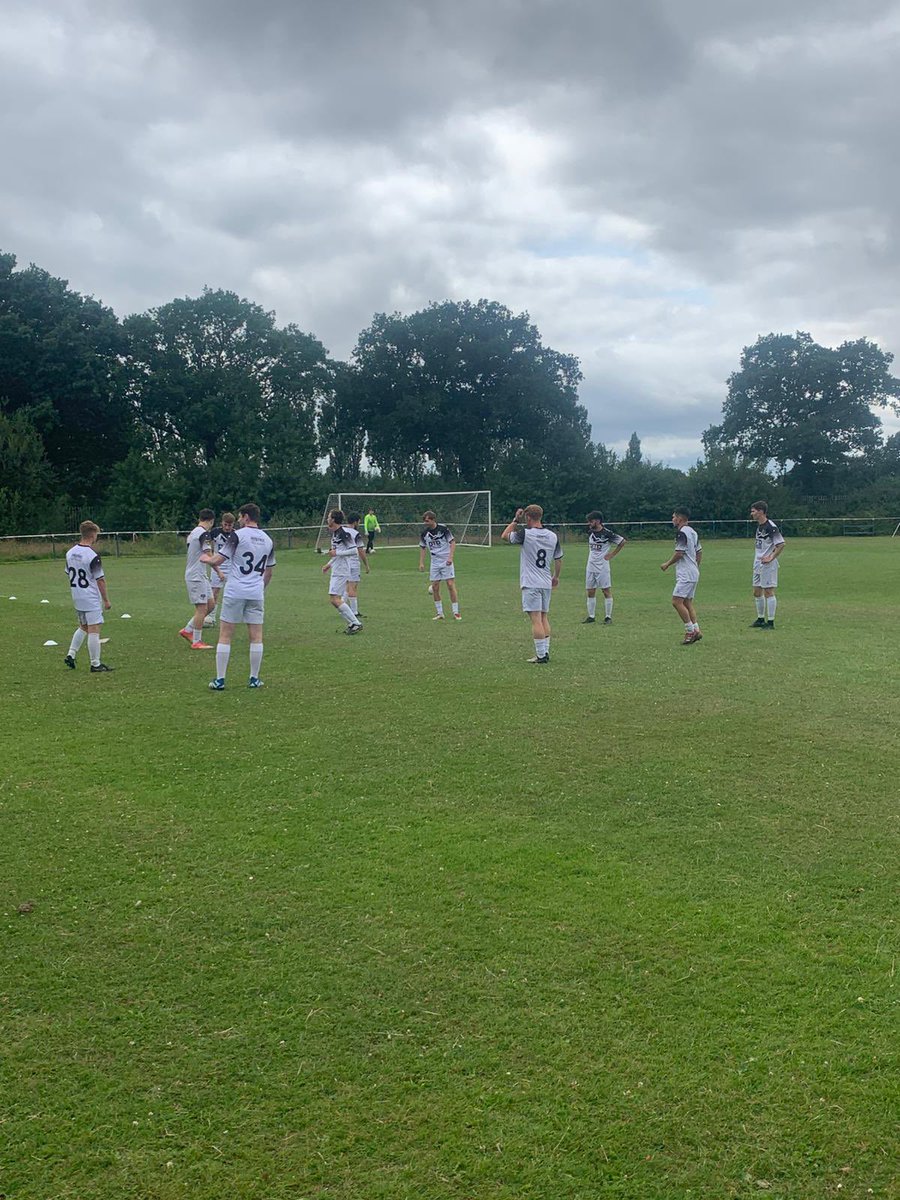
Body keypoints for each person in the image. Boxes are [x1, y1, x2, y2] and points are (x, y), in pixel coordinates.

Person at [201, 503, 276, 689]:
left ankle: (220, 680)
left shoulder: (238, 535)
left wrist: (207, 559)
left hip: (235, 590)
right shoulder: (268, 540)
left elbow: (219, 559)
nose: (238, 520)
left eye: (240, 517)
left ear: (246, 517)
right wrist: (260, 588)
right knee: (256, 636)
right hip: (256, 593)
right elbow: (269, 572)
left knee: (225, 635)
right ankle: (254, 678)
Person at [501, 505, 563, 664]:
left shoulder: (525, 534)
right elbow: (558, 558)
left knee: (535, 619)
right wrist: (556, 577)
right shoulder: (552, 536)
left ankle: (541, 656)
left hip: (531, 582)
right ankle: (545, 652)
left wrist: (515, 519)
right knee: (544, 617)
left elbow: (504, 536)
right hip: (545, 582)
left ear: (528, 517)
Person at [63, 520, 113, 672]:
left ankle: (71, 654)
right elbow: (100, 580)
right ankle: (95, 664)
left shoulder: (70, 552)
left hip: (77, 596)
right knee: (94, 628)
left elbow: (68, 573)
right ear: (93, 535)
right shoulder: (92, 555)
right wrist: (106, 600)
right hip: (90, 597)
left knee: (83, 626)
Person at [660, 508, 702, 644]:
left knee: (676, 602)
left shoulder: (681, 533)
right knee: (687, 602)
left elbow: (679, 553)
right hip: (693, 572)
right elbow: (699, 552)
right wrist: (695, 567)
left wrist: (667, 564)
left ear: (680, 518)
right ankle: (696, 629)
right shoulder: (693, 532)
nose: (672, 519)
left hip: (686, 573)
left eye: (674, 517)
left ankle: (690, 631)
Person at [178, 508, 216, 649]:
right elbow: (209, 555)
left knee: (211, 605)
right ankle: (197, 641)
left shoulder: (193, 532)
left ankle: (188, 630)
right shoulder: (204, 534)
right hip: (196, 576)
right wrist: (219, 570)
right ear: (211, 521)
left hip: (201, 574)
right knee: (202, 608)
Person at [323, 510, 365, 634]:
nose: (327, 519)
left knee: (335, 599)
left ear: (333, 519)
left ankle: (355, 623)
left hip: (342, 570)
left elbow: (353, 551)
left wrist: (337, 553)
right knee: (334, 599)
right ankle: (353, 623)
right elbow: (337, 553)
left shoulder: (343, 533)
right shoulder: (336, 534)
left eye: (329, 517)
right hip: (337, 569)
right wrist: (328, 564)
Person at [583, 510, 626, 624]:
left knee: (605, 590)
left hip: (602, 566)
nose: (589, 523)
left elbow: (622, 542)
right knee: (590, 591)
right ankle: (591, 616)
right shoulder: (590, 532)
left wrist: (611, 554)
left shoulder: (607, 533)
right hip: (590, 565)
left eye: (591, 521)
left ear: (597, 521)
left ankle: (608, 617)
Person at [419, 511, 461, 620]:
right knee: (435, 587)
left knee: (450, 584)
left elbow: (452, 542)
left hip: (446, 560)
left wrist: (450, 557)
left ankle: (456, 612)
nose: (425, 523)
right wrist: (421, 563)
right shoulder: (424, 534)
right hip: (435, 562)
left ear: (433, 519)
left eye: (427, 521)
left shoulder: (443, 529)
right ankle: (440, 613)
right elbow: (423, 548)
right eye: (424, 521)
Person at [749, 501, 785, 629]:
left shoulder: (771, 527)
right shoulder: (760, 526)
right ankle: (760, 619)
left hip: (767, 565)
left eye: (753, 511)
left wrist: (771, 557)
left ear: (760, 511)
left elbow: (781, 544)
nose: (751, 514)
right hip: (758, 563)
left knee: (768, 592)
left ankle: (770, 622)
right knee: (757, 591)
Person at [206, 512, 236, 626]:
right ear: (222, 523)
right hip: (217, 566)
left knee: (232, 593)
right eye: (225, 525)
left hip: (231, 567)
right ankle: (211, 617)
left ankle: (232, 617)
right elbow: (207, 545)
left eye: (230, 525)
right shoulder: (215, 532)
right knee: (215, 592)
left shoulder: (236, 534)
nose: (228, 527)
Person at [342, 512, 370, 620]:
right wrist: (366, 564)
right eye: (359, 521)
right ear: (355, 522)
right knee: (352, 587)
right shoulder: (355, 533)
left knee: (348, 586)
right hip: (353, 563)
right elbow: (361, 550)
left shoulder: (342, 531)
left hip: (343, 563)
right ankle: (354, 612)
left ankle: (341, 605)